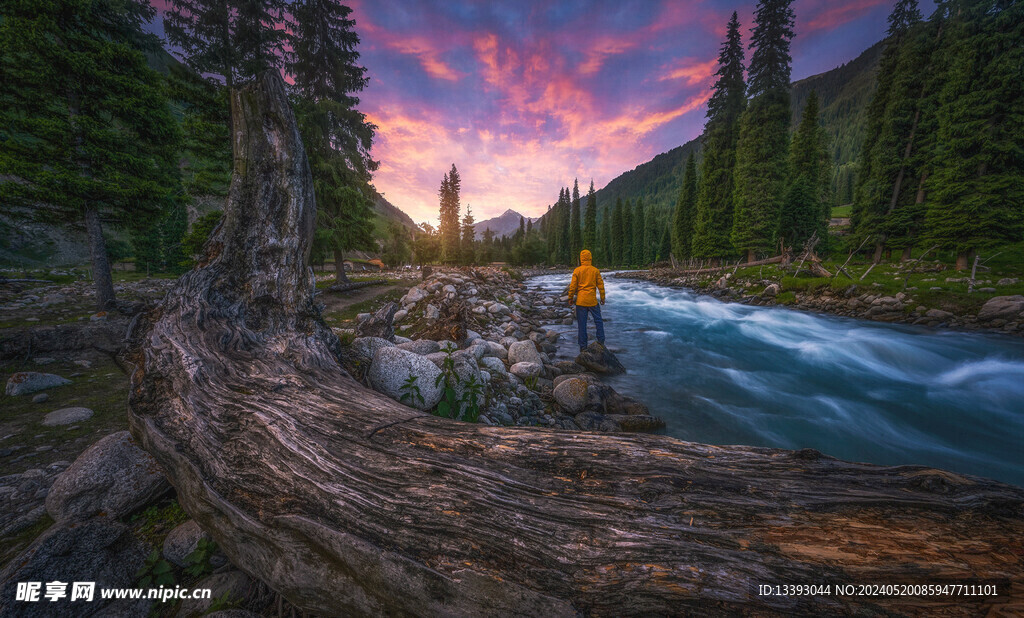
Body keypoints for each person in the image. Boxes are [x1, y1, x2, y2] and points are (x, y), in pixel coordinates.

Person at [567, 249, 605, 352]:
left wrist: (570, 298)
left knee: (582, 324)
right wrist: (602, 298)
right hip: (592, 301)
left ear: (581, 259)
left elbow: (573, 286)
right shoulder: (595, 270)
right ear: (590, 258)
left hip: (581, 302)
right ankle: (601, 342)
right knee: (598, 321)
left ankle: (583, 347)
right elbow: (601, 286)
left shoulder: (577, 270)